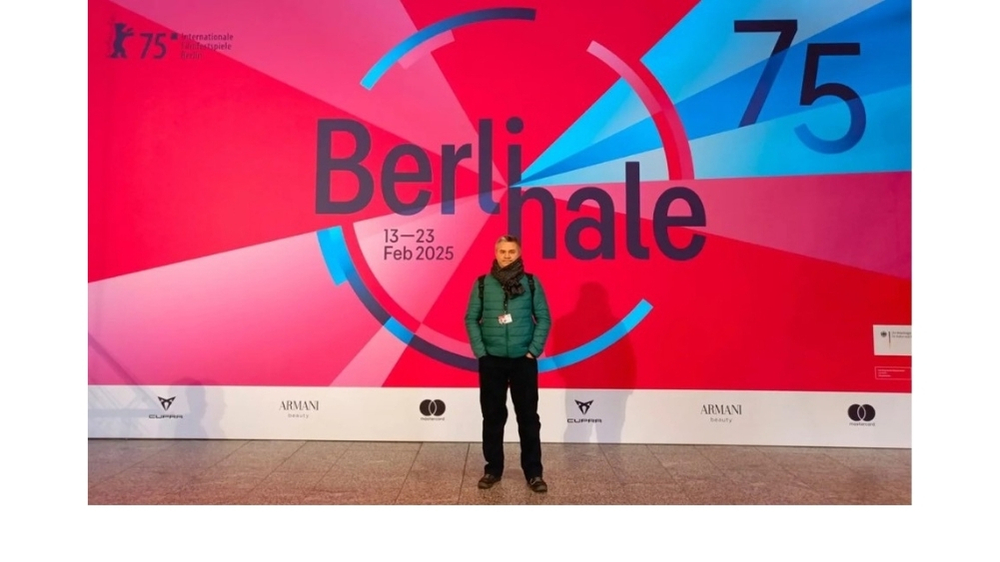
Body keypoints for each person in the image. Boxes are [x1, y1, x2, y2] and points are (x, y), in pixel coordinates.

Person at [465, 235, 552, 493]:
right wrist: (481, 352)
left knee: (528, 418)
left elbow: (544, 317)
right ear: (496, 253)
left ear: (519, 253)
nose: (506, 255)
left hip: (523, 361)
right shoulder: (482, 283)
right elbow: (471, 318)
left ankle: (534, 473)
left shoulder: (531, 283)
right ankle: (492, 469)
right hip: (491, 361)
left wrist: (533, 351)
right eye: (502, 251)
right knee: (492, 417)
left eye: (511, 251)